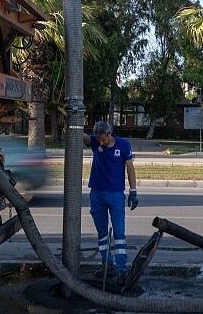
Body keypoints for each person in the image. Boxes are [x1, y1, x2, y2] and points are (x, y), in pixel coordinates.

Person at [83, 121, 138, 285]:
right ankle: (107, 264)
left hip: (115, 195)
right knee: (102, 233)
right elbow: (84, 137)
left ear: (110, 134)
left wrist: (133, 191)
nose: (101, 142)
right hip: (97, 194)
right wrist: (73, 127)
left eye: (103, 139)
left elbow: (130, 168)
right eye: (98, 139)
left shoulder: (123, 145)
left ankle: (121, 269)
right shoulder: (95, 142)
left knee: (119, 234)